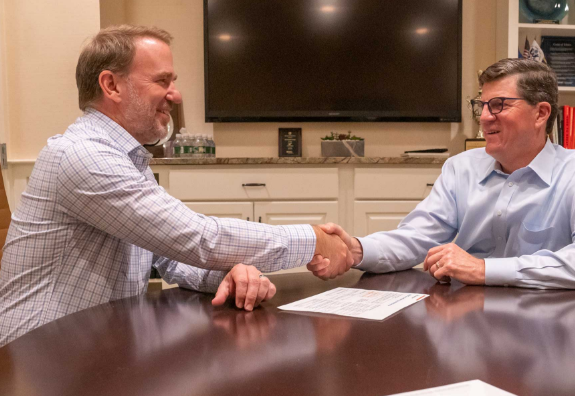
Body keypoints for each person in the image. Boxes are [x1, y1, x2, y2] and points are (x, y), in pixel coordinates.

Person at [0, 25, 351, 346]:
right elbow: (200, 238)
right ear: (111, 85)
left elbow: (170, 257)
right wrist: (314, 240)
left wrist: (230, 274)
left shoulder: (123, 158)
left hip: (98, 354)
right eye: (162, 81)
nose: (176, 95)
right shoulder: (83, 156)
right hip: (39, 366)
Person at [309, 58, 575, 290]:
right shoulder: (461, 168)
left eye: (498, 105)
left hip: (546, 329)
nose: (484, 118)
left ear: (540, 113)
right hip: (465, 322)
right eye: (481, 106)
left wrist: (485, 269)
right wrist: (356, 249)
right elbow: (417, 238)